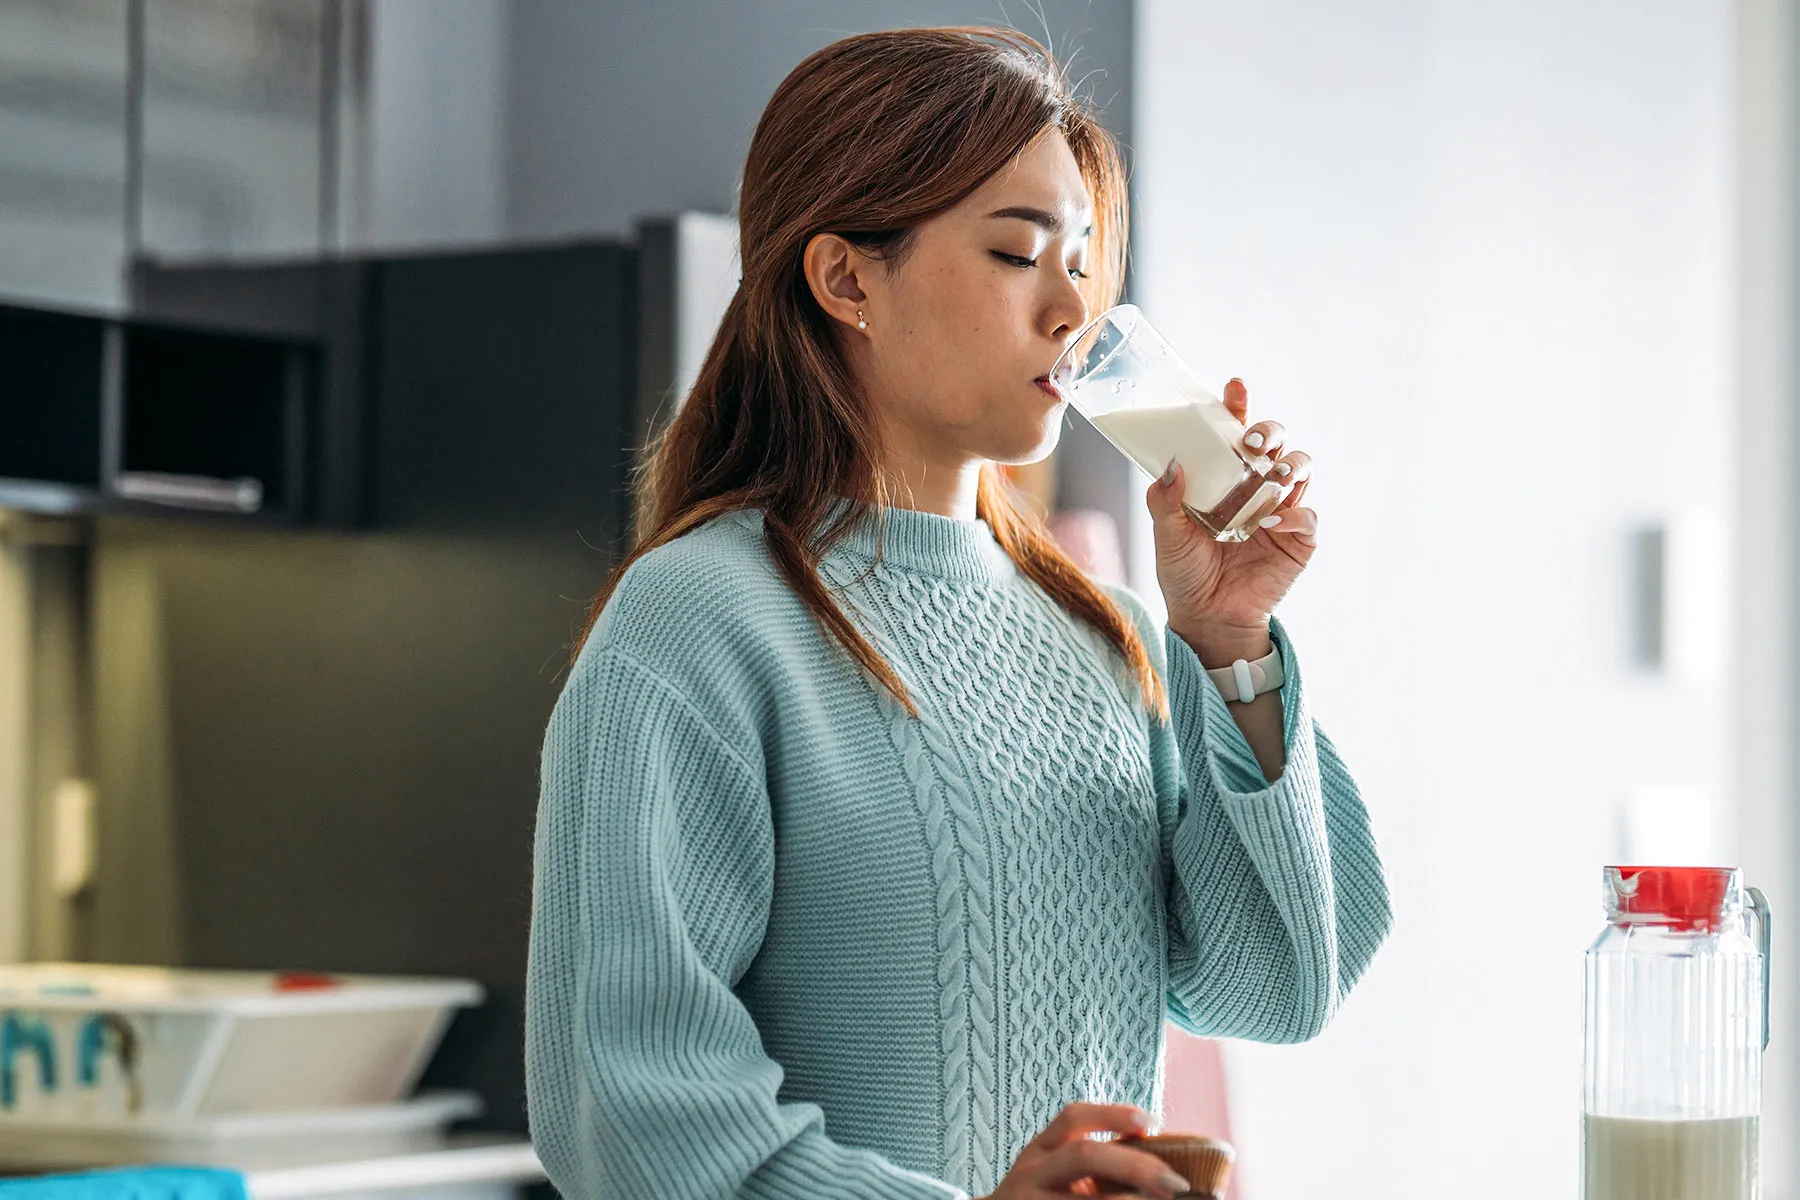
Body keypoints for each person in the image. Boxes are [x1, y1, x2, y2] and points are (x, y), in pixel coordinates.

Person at [525, 26, 1391, 1200]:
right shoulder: (696, 626)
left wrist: (1228, 644)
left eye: (1084, 256)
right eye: (1018, 252)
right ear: (846, 279)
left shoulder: (1115, 639)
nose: (1073, 303)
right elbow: (628, 1112)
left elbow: (1279, 984)